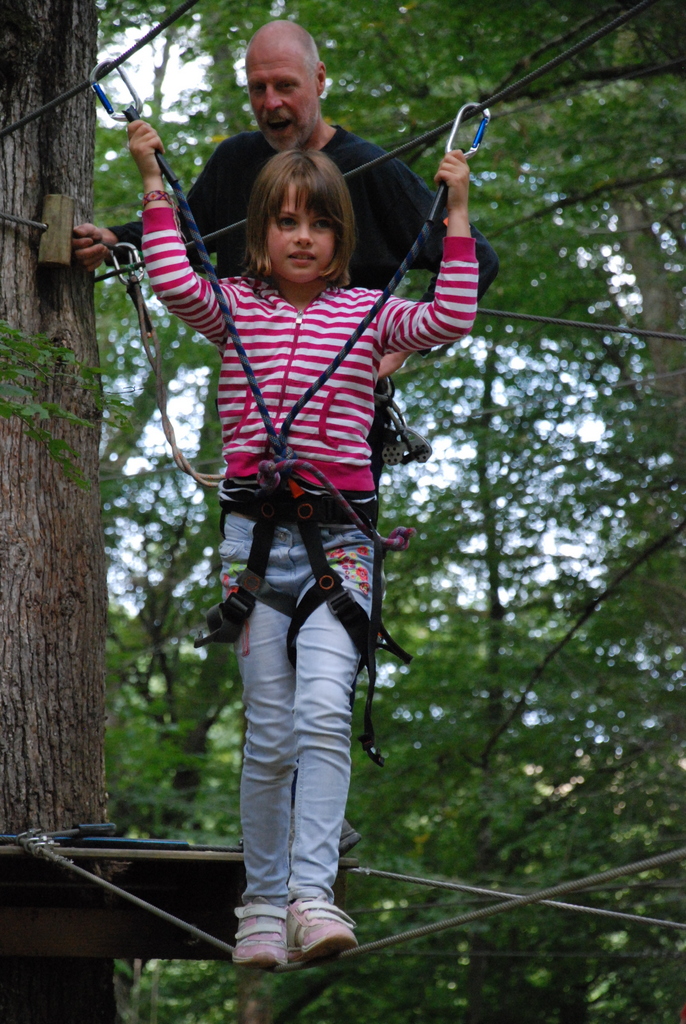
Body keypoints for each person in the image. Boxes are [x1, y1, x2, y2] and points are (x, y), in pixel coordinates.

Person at [127, 113, 478, 967]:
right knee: (271, 733)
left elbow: (451, 316)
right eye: (287, 221)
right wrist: (152, 183)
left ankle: (311, 898)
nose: (303, 237)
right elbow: (172, 277)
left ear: (340, 238)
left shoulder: (368, 314)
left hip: (338, 551)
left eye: (320, 223)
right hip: (253, 550)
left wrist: (458, 212)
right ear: (262, 232)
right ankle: (261, 904)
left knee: (322, 714)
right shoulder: (235, 308)